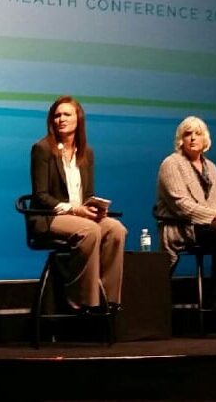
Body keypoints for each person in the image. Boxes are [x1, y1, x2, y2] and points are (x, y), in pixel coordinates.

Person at [30, 95, 126, 312]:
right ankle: (83, 299)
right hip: (49, 217)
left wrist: (95, 208)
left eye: (67, 114)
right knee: (90, 230)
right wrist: (75, 210)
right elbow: (41, 196)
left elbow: (87, 194)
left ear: (78, 119)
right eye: (57, 115)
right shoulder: (42, 149)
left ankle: (108, 299)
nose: (61, 119)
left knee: (116, 230)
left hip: (79, 215)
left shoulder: (86, 153)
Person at [154, 116, 216, 314]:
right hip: (184, 226)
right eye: (188, 134)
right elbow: (182, 206)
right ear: (181, 140)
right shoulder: (171, 164)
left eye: (197, 134)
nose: (193, 138)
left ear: (205, 139)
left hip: (210, 224)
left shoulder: (211, 167)